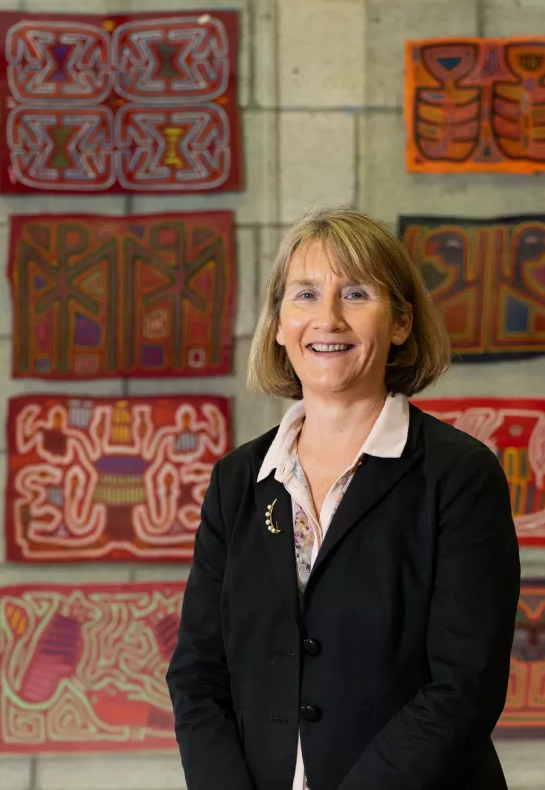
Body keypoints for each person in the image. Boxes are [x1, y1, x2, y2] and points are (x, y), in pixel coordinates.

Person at [166, 207, 521, 790]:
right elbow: (199, 676)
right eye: (304, 294)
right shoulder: (239, 479)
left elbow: (464, 685)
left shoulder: (459, 475)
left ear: (401, 322)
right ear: (279, 324)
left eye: (355, 294)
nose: (326, 319)